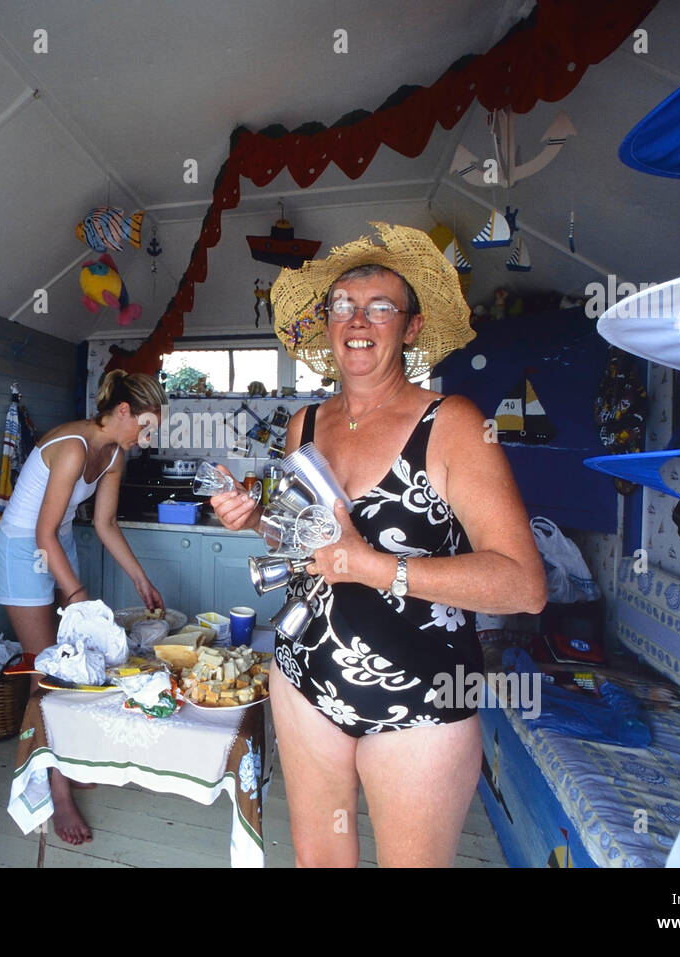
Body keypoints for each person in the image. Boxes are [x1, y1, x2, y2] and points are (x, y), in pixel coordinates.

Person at [211, 223, 546, 867]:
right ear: (327, 323)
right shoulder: (306, 423)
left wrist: (375, 567)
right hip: (306, 675)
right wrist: (255, 520)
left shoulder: (453, 425)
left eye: (379, 307)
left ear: (412, 327)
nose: (357, 320)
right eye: (342, 305)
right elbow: (305, 543)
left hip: (422, 697)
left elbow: (523, 585)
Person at [0, 369, 167, 845]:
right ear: (124, 411)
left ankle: (64, 761)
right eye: (146, 426)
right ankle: (56, 790)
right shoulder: (72, 446)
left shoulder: (114, 453)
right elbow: (40, 533)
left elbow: (106, 524)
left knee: (74, 669)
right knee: (47, 672)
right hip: (21, 549)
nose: (147, 438)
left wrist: (140, 580)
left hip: (56, 543)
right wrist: (75, 594)